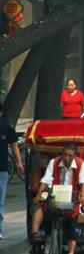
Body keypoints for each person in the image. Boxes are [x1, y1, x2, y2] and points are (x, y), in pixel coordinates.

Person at [31, 143, 84, 253]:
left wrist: (81, 196)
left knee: (72, 223)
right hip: (56, 196)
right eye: (65, 154)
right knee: (48, 215)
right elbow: (45, 180)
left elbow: (83, 182)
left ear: (75, 156)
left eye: (70, 156)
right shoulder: (54, 162)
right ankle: (48, 237)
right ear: (62, 154)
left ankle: (71, 252)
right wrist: (38, 194)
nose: (66, 158)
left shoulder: (81, 164)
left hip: (72, 197)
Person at [0, 102, 23, 239]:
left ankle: (0, 228)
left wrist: (19, 162)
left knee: (0, 200)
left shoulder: (7, 129)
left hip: (2, 170)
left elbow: (14, 146)